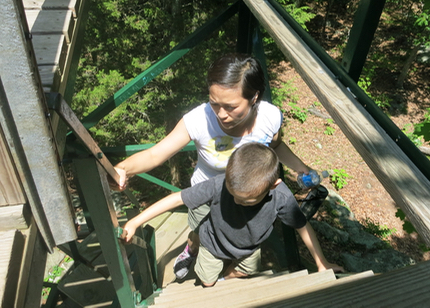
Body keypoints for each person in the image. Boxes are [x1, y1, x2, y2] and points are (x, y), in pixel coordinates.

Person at [113, 53, 311, 280]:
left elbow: (275, 146)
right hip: (206, 194)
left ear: (254, 97)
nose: (221, 114)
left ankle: (226, 271)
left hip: (245, 194)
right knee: (200, 232)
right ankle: (192, 248)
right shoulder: (199, 120)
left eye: (231, 106)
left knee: (237, 234)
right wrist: (123, 168)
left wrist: (300, 167)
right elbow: (155, 154)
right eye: (214, 103)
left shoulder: (269, 117)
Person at [122, 143, 344, 287]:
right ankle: (191, 249)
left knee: (246, 271)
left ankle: (224, 276)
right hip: (214, 241)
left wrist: (321, 263)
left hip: (247, 249)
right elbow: (178, 198)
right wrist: (135, 221)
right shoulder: (220, 184)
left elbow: (302, 226)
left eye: (246, 200)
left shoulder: (282, 196)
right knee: (207, 283)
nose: (237, 201)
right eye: (233, 195)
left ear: (273, 186)